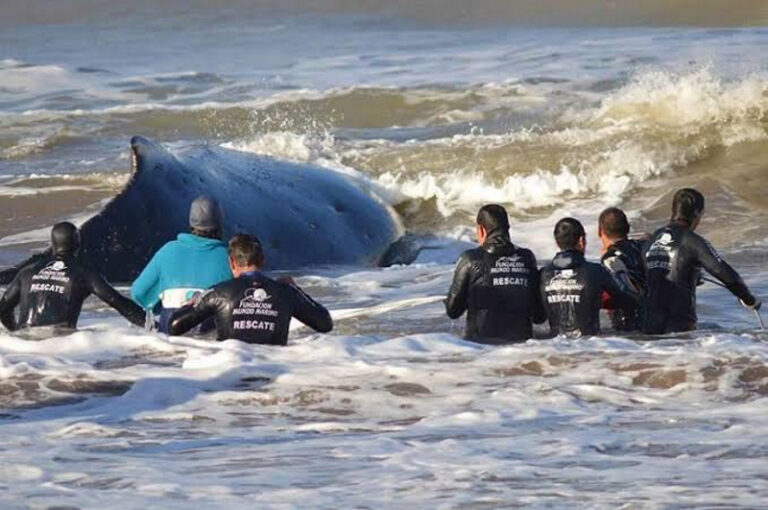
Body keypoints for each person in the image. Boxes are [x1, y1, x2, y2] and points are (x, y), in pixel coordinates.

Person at [168, 233, 332, 344]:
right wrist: (297, 290)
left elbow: (174, 326)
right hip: (276, 375)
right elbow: (325, 324)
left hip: (232, 374)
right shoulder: (286, 292)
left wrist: (195, 300)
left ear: (231, 262)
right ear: (262, 260)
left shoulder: (217, 292)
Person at [643, 188, 761, 334]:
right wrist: (749, 299)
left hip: (649, 327)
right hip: (679, 328)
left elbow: (657, 276)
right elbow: (721, 271)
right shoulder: (693, 241)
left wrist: (691, 276)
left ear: (673, 210)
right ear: (697, 213)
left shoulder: (651, 241)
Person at [0, 222, 145, 331]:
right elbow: (118, 302)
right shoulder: (84, 272)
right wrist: (156, 327)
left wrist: (15, 333)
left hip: (24, 342)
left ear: (53, 244)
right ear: (78, 244)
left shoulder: (27, 271)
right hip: (58, 342)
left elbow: (4, 307)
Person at [445, 204, 545, 344]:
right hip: (522, 348)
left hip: (482, 349)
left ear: (481, 230)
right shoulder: (527, 258)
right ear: (507, 229)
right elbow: (539, 317)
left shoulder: (470, 259)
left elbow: (453, 311)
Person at [131, 196, 231, 333]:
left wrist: (159, 300)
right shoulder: (229, 257)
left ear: (191, 223)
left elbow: (138, 292)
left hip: (170, 344)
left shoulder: (168, 251)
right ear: (220, 223)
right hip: (212, 348)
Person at [540, 217, 639, 337]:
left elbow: (538, 317)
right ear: (581, 241)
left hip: (552, 349)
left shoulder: (543, 274)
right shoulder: (595, 271)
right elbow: (629, 300)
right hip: (590, 349)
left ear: (557, 242)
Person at [598, 207, 646, 332]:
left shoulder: (610, 259)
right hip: (654, 317)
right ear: (628, 228)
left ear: (600, 231)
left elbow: (623, 293)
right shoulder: (643, 247)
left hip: (628, 326)